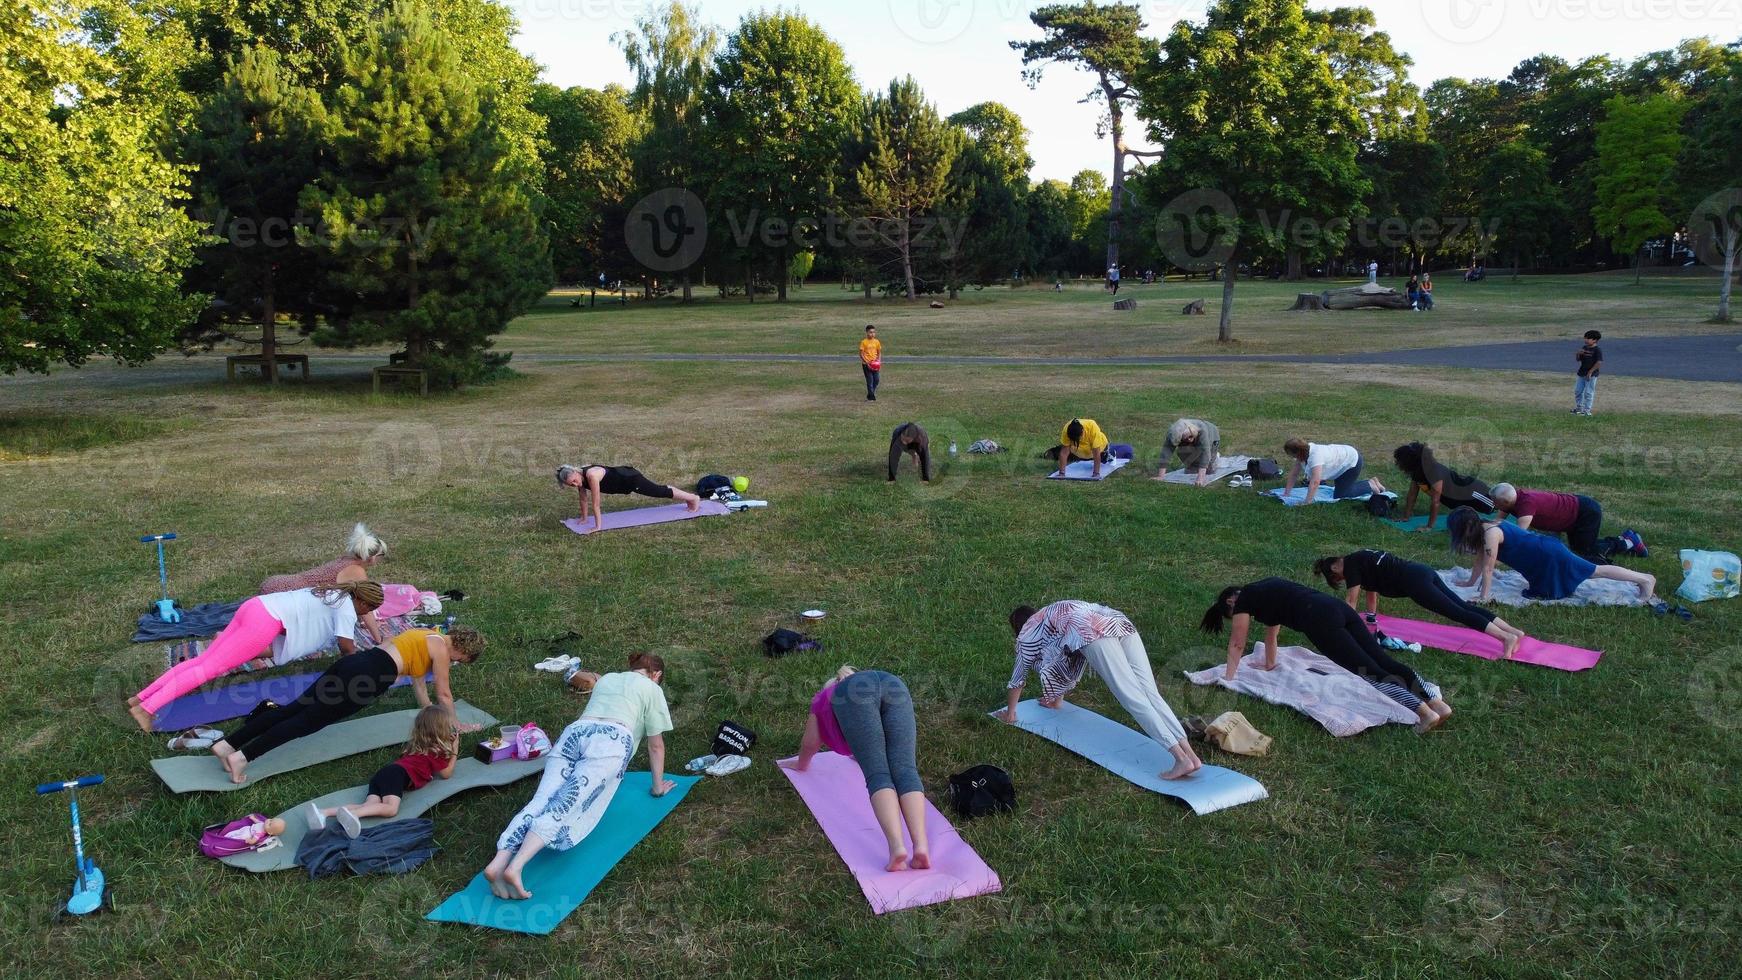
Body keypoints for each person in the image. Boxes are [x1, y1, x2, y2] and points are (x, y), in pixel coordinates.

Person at [484, 653, 675, 901]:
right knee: (565, 804)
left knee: (541, 800)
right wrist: (657, 787)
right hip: (610, 742)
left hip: (575, 733)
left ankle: (498, 863)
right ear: (656, 675)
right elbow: (656, 745)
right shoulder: (652, 688)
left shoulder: (607, 679)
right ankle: (516, 867)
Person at [210, 625, 488, 783]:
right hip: (368, 678)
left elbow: (419, 683)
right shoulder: (441, 649)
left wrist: (428, 713)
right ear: (463, 651)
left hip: (353, 663)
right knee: (303, 723)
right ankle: (241, 758)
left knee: (295, 708)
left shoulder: (424, 634)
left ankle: (227, 745)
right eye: (459, 661)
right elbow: (444, 694)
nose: (453, 663)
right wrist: (453, 728)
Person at [1200, 578, 1454, 733]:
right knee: (1384, 662)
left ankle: (1424, 713)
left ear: (1232, 602)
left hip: (1320, 620)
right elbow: (1271, 636)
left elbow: (1237, 643)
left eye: (1232, 616)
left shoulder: (1245, 601)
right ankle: (1437, 704)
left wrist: (1229, 677)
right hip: (1337, 609)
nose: (1238, 620)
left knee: (1369, 671)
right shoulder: (1267, 590)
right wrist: (1269, 663)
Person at [126, 582, 384, 731]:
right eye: (369, 609)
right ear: (363, 603)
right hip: (264, 622)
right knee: (209, 669)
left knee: (201, 662)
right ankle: (147, 710)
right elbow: (346, 646)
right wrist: (363, 661)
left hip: (255, 606)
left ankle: (140, 698)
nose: (365, 614)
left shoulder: (331, 591)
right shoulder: (348, 609)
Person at [1000, 602, 1203, 780]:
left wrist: (1010, 713)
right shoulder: (1052, 617)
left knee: (1133, 698)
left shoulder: (1027, 634)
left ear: (1016, 627)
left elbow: (1018, 679)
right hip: (1116, 620)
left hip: (1092, 631)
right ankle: (1191, 757)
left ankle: (1180, 758)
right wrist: (1055, 700)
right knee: (1151, 694)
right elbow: (1067, 663)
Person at [783, 667, 929, 872]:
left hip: (855, 694)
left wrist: (801, 764)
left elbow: (810, 743)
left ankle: (897, 847)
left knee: (878, 774)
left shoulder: (826, 697)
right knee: (906, 770)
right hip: (894, 683)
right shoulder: (870, 683)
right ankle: (921, 846)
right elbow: (878, 735)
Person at [1314, 551, 1528, 659]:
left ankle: (1505, 638)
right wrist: (1371, 618)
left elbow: (1351, 602)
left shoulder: (1350, 566)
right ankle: (1513, 631)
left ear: (1335, 566)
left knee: (1458, 613)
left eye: (1338, 578)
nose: (1342, 580)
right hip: (1421, 570)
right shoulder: (1360, 558)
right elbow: (1372, 590)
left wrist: (1344, 628)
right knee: (1463, 606)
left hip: (1414, 582)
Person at [305, 704, 460, 838]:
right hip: (397, 775)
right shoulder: (435, 752)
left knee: (369, 805)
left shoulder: (416, 746)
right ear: (441, 730)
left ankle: (323, 813)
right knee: (390, 809)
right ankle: (353, 815)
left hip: (386, 773)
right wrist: (454, 748)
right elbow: (447, 774)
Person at [1447, 506, 1657, 604]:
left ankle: (1645, 579)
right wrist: (1469, 582)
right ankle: (1642, 579)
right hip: (1540, 558)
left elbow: (1488, 567)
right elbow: (1480, 561)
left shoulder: (1491, 533)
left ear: (1466, 527)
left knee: (1593, 571)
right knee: (1589, 571)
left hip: (1548, 555)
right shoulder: (1485, 529)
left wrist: (1484, 596)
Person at [260, 523, 387, 642]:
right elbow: (366, 608)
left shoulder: (346, 560)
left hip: (274, 583)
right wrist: (378, 638)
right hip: (284, 594)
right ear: (372, 558)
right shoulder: (357, 572)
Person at [1489, 483, 1644, 564]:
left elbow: (1519, 537)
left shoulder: (1526, 506)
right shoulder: (1512, 499)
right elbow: (1498, 522)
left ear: (1505, 501)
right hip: (1572, 515)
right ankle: (1625, 539)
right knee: (1578, 548)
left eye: (1496, 503)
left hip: (1585, 513)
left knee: (1587, 551)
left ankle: (1629, 542)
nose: (1494, 506)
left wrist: (1497, 556)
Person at [557, 464, 702, 530]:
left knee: (658, 491)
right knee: (660, 489)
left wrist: (598, 526)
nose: (575, 485)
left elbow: (596, 503)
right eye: (571, 485)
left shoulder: (591, 475)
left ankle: (693, 498)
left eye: (574, 481)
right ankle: (689, 497)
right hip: (624, 479)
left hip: (630, 480)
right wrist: (584, 518)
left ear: (575, 472)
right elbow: (583, 499)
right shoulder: (581, 478)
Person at [1393, 442, 1495, 530]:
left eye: (1400, 462)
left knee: (1495, 507)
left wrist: (1429, 527)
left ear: (1411, 462)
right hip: (1458, 499)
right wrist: (1406, 517)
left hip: (1474, 493)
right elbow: (1412, 495)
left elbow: (1435, 502)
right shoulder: (1417, 473)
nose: (1398, 464)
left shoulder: (1434, 473)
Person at [1283, 438, 1383, 501]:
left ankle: (1370, 486)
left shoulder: (1315, 456)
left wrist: (1307, 501)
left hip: (1351, 462)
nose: (1292, 457)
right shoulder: (1302, 453)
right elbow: (1294, 474)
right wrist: (1287, 493)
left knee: (1342, 495)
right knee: (1342, 489)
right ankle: (1371, 481)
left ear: (1298, 452)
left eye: (1291, 454)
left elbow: (1315, 482)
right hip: (1341, 460)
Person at [1153, 418, 1221, 486]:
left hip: (1212, 436)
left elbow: (1205, 453)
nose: (1189, 440)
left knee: (1209, 471)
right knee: (1191, 470)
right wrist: (1160, 476)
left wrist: (1200, 478)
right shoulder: (1172, 434)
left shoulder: (1202, 430)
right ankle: (1193, 464)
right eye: (1187, 438)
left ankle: (1215, 459)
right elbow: (1166, 453)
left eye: (1191, 437)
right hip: (1189, 438)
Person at [1574, 330, 1603, 416]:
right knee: (1578, 391)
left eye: (1588, 338)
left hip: (1591, 375)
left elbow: (1599, 362)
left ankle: (1587, 411)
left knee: (1588, 392)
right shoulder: (1585, 347)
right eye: (1585, 338)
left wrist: (1590, 372)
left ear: (1595, 340)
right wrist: (1578, 354)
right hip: (1582, 373)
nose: (1585, 340)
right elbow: (1578, 360)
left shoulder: (1597, 350)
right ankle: (1579, 408)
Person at [860, 325, 882, 401]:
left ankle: (871, 393)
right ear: (867, 332)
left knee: (876, 380)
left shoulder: (877, 342)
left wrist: (878, 361)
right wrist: (867, 362)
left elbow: (879, 352)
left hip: (875, 365)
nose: (872, 334)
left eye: (873, 332)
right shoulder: (864, 342)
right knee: (870, 380)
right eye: (870, 332)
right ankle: (871, 398)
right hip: (866, 365)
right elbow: (861, 354)